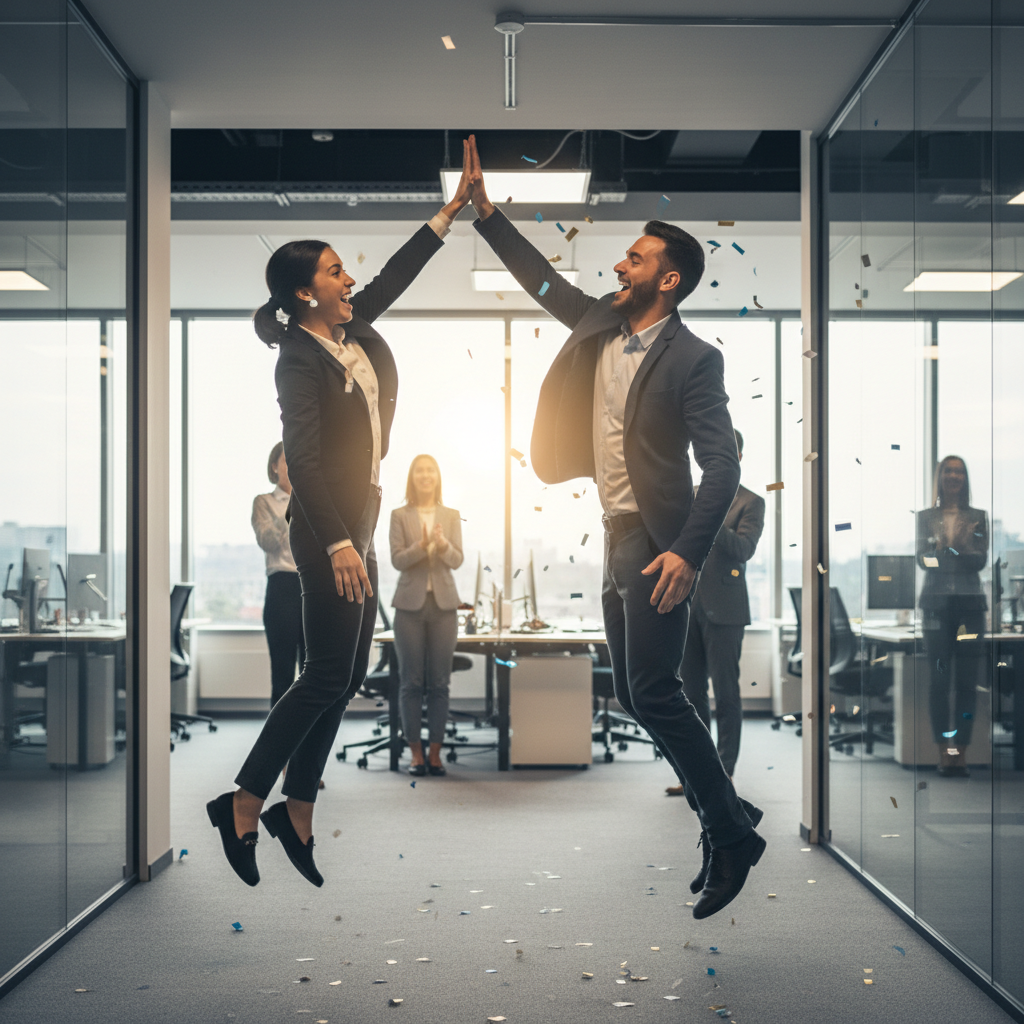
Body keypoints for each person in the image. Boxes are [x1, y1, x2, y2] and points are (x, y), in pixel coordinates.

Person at [465, 136, 764, 919]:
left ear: (668, 279)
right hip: (614, 532)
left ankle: (728, 831)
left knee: (655, 691)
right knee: (637, 693)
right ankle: (728, 813)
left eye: (635, 258)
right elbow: (540, 281)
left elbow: (722, 467)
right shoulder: (599, 323)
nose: (619, 266)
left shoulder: (694, 359)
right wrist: (486, 215)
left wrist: (686, 554)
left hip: (655, 543)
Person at [206, 142, 477, 888]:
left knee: (348, 671)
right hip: (329, 530)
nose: (348, 278)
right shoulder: (296, 358)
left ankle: (297, 808)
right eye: (333, 271)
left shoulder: (349, 332)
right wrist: (336, 543)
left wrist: (450, 213)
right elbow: (305, 460)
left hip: (359, 522)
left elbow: (393, 274)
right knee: (326, 670)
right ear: (304, 293)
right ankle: (243, 800)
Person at [667, 429, 765, 795]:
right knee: (690, 696)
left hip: (726, 611)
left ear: (737, 456)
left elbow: (743, 549)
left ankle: (724, 773)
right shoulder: (688, 497)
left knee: (726, 696)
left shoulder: (751, 502)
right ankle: (696, 774)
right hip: (686, 607)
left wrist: (708, 516)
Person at [390, 454, 464, 777]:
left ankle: (435, 754)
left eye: (430, 470)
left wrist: (443, 544)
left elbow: (457, 560)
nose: (425, 475)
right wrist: (421, 545)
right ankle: (416, 754)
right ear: (412, 477)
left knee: (439, 683)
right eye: (419, 470)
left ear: (437, 477)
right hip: (409, 607)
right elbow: (397, 560)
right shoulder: (399, 515)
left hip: (444, 607)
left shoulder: (451, 515)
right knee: (411, 682)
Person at [916, 454, 989, 777]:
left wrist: (947, 552)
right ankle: (943, 752)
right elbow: (923, 561)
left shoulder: (978, 517)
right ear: (940, 477)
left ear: (965, 478)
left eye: (959, 471)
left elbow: (979, 561)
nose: (954, 476)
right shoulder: (925, 517)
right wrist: (951, 551)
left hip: (970, 607)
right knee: (939, 683)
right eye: (948, 471)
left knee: (966, 684)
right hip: (936, 606)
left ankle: (961, 751)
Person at [252, 443, 306, 710]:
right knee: (283, 673)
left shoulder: (313, 502)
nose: (293, 465)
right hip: (282, 588)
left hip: (311, 589)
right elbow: (268, 541)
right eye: (287, 460)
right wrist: (292, 506)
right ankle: (280, 735)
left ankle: (309, 735)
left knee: (311, 672)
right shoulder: (264, 502)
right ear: (274, 466)